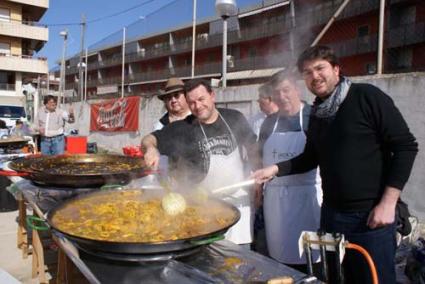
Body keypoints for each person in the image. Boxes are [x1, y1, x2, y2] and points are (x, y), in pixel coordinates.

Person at [252, 46, 418, 283]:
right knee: (339, 279)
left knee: (375, 279)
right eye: (308, 72)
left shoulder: (366, 96)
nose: (315, 76)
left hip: (370, 216)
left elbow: (405, 146)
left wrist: (388, 203)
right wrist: (275, 169)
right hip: (331, 217)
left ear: (336, 69)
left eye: (320, 68)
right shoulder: (319, 112)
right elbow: (310, 158)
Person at [142, 79, 260, 246]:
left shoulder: (234, 118)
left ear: (212, 95)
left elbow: (253, 148)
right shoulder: (183, 128)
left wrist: (258, 184)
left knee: (241, 258)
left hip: (239, 201)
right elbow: (149, 139)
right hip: (206, 206)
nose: (197, 106)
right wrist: (151, 149)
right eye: (192, 103)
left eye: (201, 99)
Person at [257, 70, 322, 273]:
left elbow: (314, 158)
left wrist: (275, 169)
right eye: (276, 93)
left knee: (311, 257)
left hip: (307, 199)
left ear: (297, 89)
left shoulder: (314, 116)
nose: (282, 97)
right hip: (275, 200)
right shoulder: (269, 122)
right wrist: (257, 185)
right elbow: (258, 155)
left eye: (286, 90)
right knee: (280, 259)